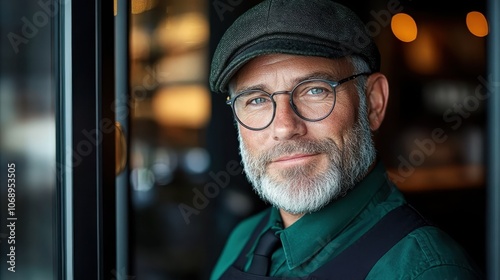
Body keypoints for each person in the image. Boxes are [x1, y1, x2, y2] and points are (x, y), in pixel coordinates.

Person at [208, 0, 484, 279]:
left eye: (315, 90)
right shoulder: (243, 238)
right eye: (256, 100)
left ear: (373, 102)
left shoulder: (422, 270)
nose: (284, 127)